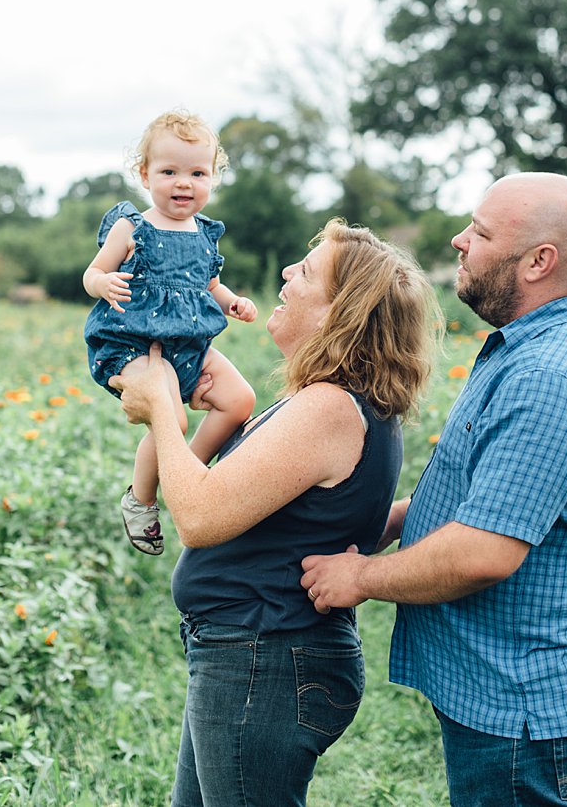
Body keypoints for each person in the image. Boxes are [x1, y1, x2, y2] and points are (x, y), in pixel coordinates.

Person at [301, 173, 567, 807]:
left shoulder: (551, 377)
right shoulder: (525, 349)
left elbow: (486, 550)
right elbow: (490, 498)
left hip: (522, 701)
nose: (459, 240)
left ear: (540, 262)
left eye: (481, 233)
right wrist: (391, 518)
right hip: (506, 688)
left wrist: (362, 577)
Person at [112, 220, 440, 807]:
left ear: (343, 313)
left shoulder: (329, 408)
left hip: (265, 659)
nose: (287, 274)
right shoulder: (331, 400)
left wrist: (161, 408)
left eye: (307, 272)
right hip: (254, 654)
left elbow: (200, 517)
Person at [83, 109, 257, 555]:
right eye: (169, 171)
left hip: (189, 343)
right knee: (171, 420)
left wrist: (232, 301)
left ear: (213, 178)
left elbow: (211, 285)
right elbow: (92, 272)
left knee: (240, 400)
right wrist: (103, 283)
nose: (184, 183)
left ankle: (188, 476)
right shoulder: (132, 227)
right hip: (134, 341)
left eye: (197, 173)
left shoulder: (205, 234)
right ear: (144, 174)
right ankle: (140, 500)